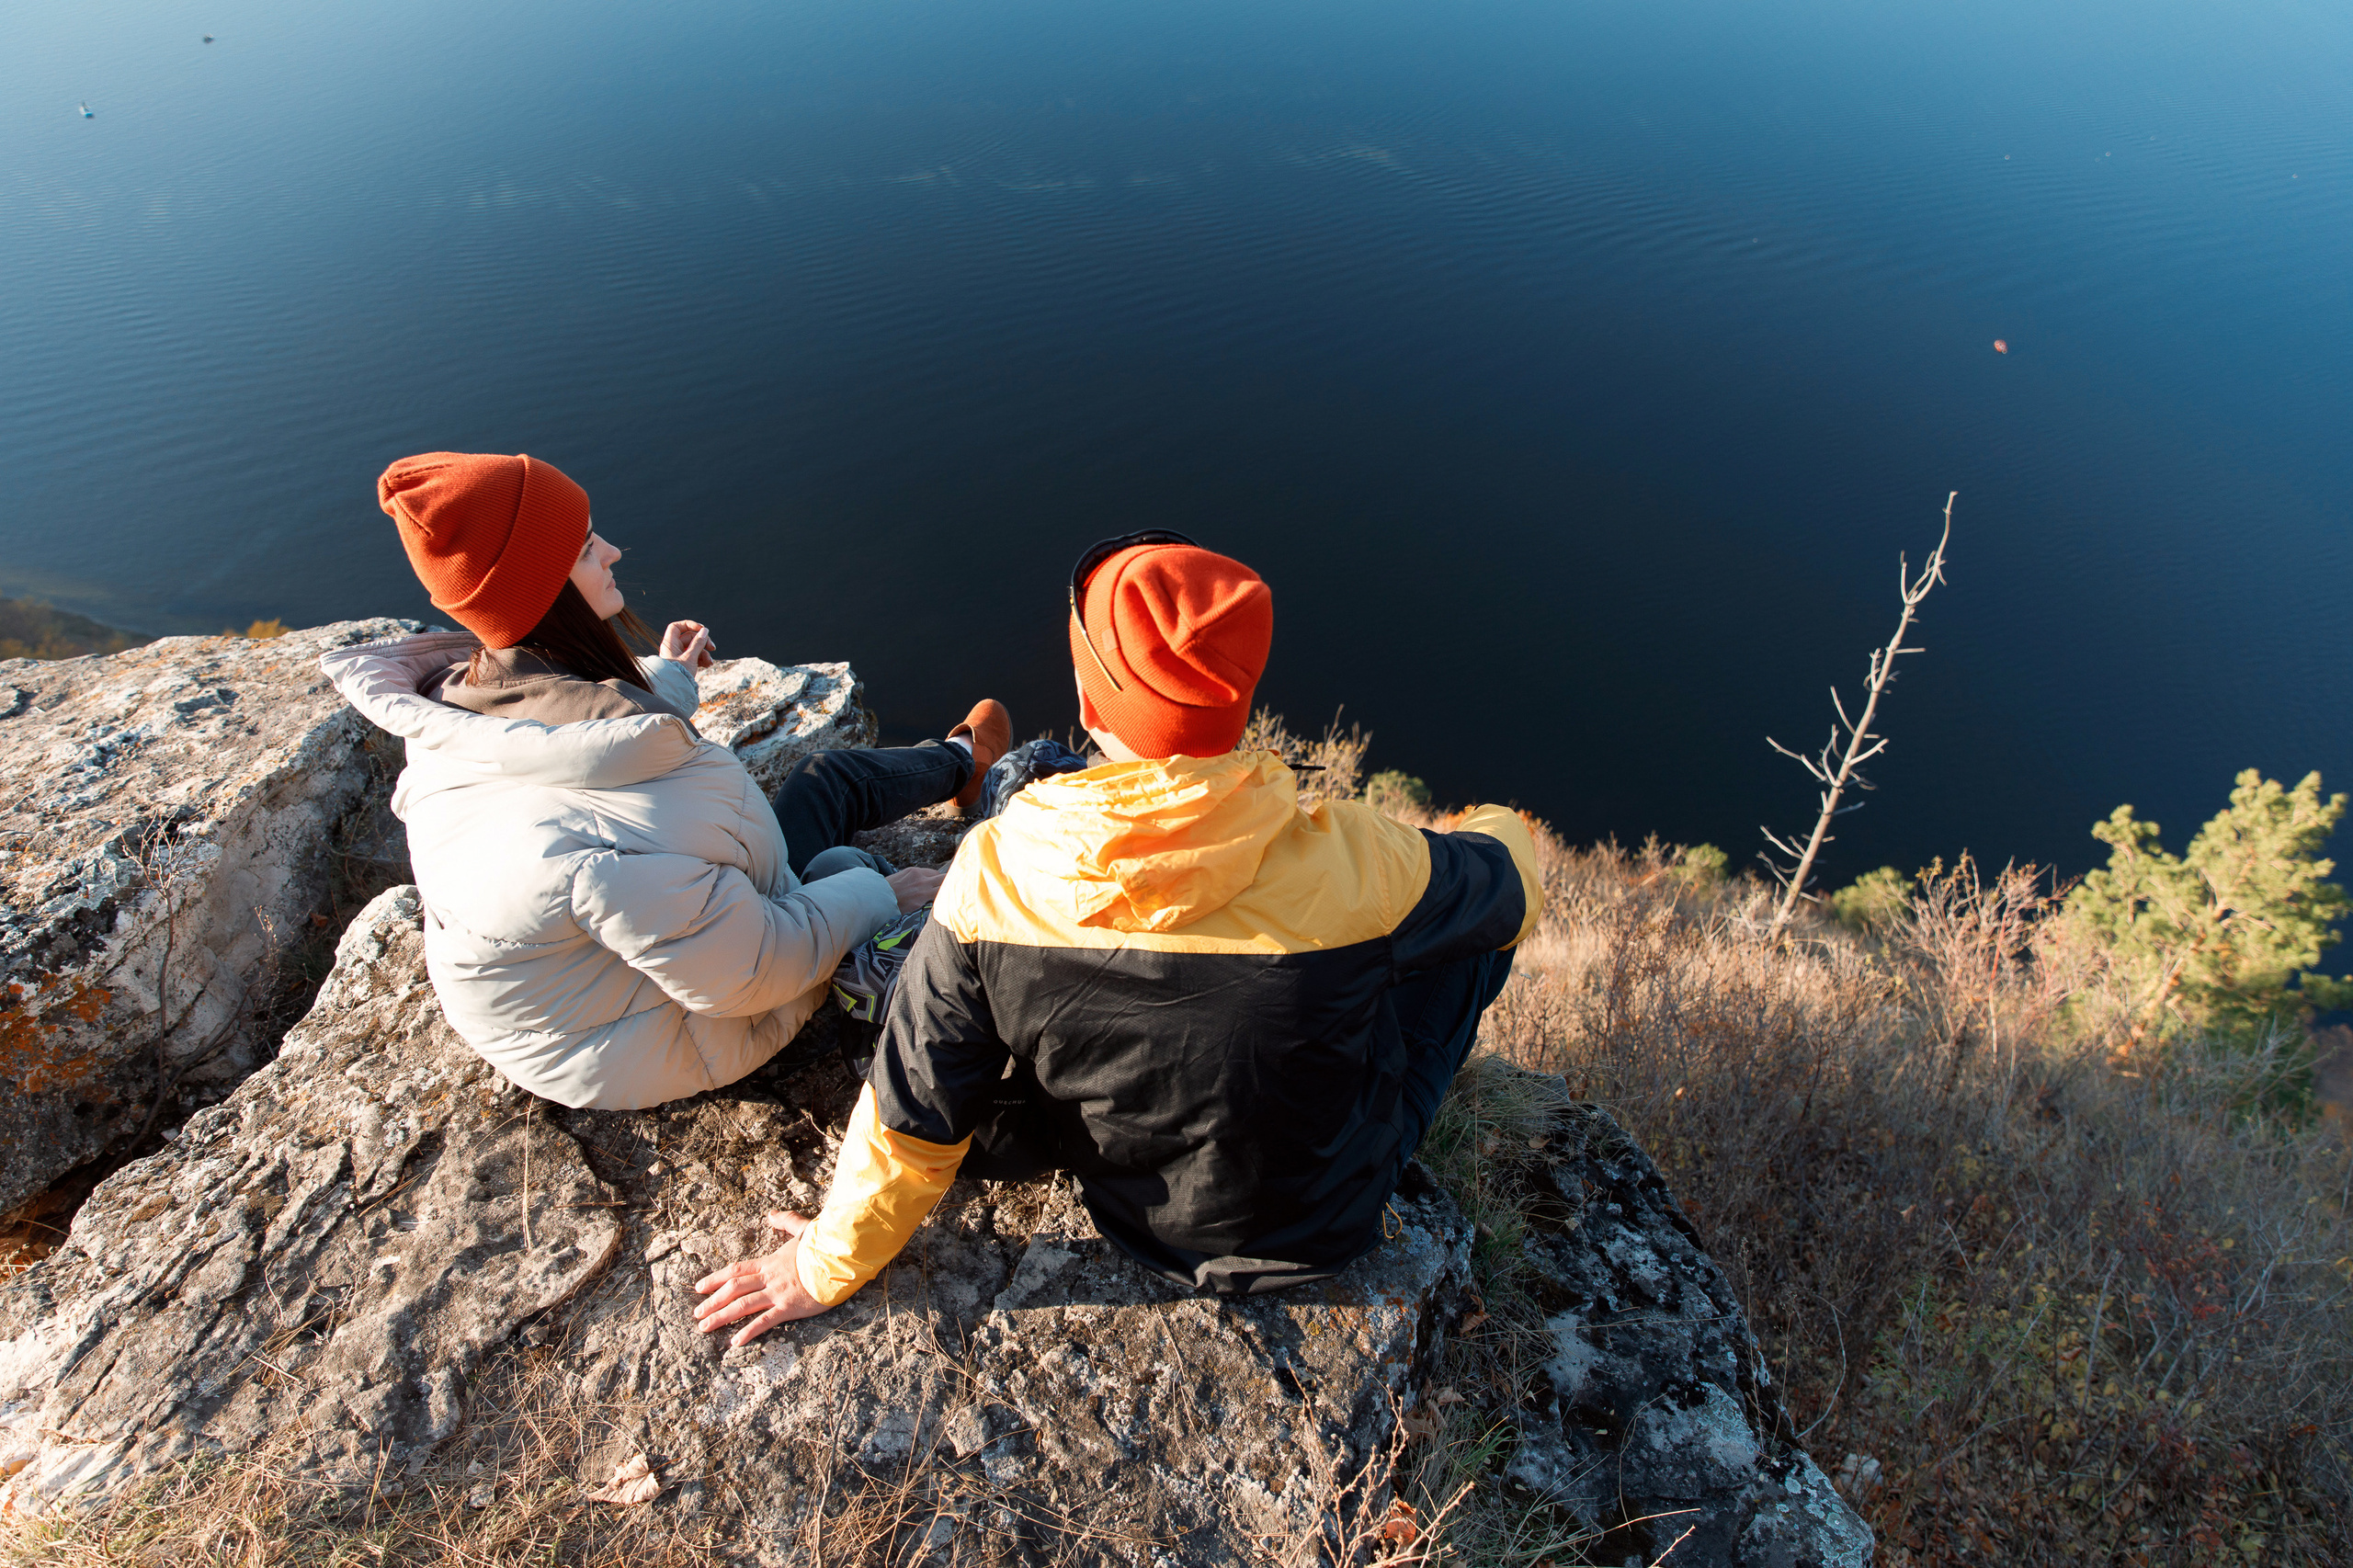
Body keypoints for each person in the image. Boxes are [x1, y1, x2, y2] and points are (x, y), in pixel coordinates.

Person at [691, 530, 1542, 1345]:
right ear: (1238, 696)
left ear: (1092, 699)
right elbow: (1514, 892)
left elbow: (914, 1105)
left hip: (1130, 1213)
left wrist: (825, 1262)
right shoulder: (1360, 859)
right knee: (1466, 930)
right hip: (1330, 1220)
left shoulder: (998, 870)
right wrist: (1491, 822)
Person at [320, 450, 1010, 1109]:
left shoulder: (464, 707)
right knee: (840, 843)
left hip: (621, 984)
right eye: (588, 548)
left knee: (824, 792)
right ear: (544, 589)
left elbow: (582, 730)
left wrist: (671, 673)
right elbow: (750, 973)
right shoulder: (584, 854)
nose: (613, 552)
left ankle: (960, 766)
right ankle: (967, 768)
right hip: (670, 1031)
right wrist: (879, 892)